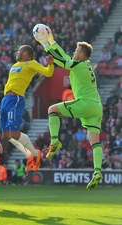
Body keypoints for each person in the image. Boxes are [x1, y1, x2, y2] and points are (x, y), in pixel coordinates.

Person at [35, 27, 103, 190]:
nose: (73, 52)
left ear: (82, 54)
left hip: (85, 103)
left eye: (76, 50)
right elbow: (64, 56)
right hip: (97, 107)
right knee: (95, 142)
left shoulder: (79, 65)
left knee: (52, 110)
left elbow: (61, 60)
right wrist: (51, 41)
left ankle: (54, 142)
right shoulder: (84, 65)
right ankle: (97, 172)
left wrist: (45, 44)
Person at [0, 45, 54, 172]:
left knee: (14, 133)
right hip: (5, 100)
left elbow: (48, 73)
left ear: (26, 53)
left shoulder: (31, 63)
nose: (16, 52)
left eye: (19, 51)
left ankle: (35, 154)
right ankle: (29, 155)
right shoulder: (14, 65)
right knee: (6, 136)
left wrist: (50, 64)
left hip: (16, 99)